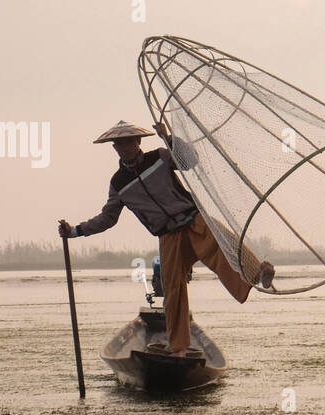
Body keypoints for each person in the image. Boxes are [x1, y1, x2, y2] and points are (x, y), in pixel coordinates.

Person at [58, 119, 275, 357]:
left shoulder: (159, 157)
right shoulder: (118, 183)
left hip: (192, 219)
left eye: (129, 143)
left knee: (222, 242)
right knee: (173, 290)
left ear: (138, 142)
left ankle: (258, 273)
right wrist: (75, 231)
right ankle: (179, 348)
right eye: (120, 145)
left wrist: (169, 137)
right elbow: (108, 218)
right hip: (168, 235)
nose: (125, 148)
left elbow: (190, 161)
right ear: (114, 149)